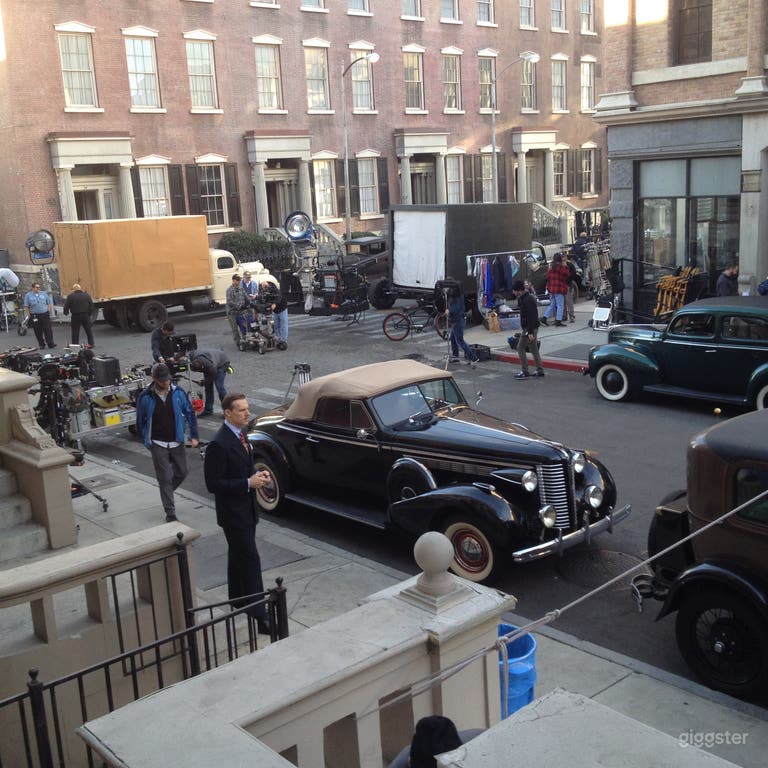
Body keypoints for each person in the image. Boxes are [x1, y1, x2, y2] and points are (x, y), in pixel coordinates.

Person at [203, 393, 273, 634]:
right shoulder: (219, 444)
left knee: (238, 556)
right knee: (250, 560)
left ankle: (238, 599)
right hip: (233, 514)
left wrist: (256, 476)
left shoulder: (242, 434)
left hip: (247, 509)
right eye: (241, 410)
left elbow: (243, 466)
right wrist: (246, 483)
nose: (247, 413)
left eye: (247, 408)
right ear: (228, 413)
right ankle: (260, 616)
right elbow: (213, 484)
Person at [136, 362, 199, 522]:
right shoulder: (145, 396)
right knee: (164, 478)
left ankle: (167, 492)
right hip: (158, 442)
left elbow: (190, 413)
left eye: (168, 379)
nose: (166, 383)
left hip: (176, 440)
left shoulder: (178, 393)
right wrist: (146, 440)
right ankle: (170, 512)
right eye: (163, 380)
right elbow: (140, 420)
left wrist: (194, 435)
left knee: (182, 472)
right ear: (154, 378)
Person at [512, 280, 545, 379]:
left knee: (520, 347)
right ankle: (539, 370)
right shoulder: (524, 298)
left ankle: (525, 370)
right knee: (533, 348)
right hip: (531, 327)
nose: (513, 292)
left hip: (529, 328)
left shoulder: (528, 299)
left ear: (518, 290)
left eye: (514, 290)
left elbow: (532, 316)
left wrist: (530, 331)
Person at [442, 280, 478, 368]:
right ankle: (455, 356)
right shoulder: (456, 294)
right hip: (456, 320)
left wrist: (449, 311)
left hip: (458, 320)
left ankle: (473, 357)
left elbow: (456, 308)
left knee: (460, 340)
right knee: (453, 339)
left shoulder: (457, 297)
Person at [189, 348, 230, 416]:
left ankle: (228, 410)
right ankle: (208, 410)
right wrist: (176, 357)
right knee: (208, 388)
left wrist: (203, 382)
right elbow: (185, 353)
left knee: (219, 387)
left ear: (202, 367)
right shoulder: (193, 356)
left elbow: (212, 377)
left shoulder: (211, 367)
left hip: (222, 363)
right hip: (212, 359)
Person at [540, 253, 570, 327]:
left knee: (552, 304)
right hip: (559, 288)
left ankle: (544, 318)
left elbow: (547, 277)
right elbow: (567, 274)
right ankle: (558, 321)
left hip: (551, 289)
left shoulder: (551, 267)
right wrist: (565, 264)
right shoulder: (561, 267)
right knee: (560, 305)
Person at [23, 281, 56, 349]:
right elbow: (26, 306)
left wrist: (48, 310)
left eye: (39, 287)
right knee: (38, 331)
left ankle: (50, 343)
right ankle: (41, 344)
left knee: (48, 330)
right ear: (33, 288)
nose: (38, 288)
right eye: (37, 287)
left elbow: (48, 302)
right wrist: (29, 316)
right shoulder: (28, 295)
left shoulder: (43, 294)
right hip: (35, 315)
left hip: (44, 314)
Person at [259, 279, 288, 346]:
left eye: (265, 287)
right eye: (263, 287)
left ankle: (283, 341)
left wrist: (275, 303)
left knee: (283, 325)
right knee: (276, 325)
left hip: (282, 308)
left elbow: (279, 297)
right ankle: (278, 339)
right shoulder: (263, 291)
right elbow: (261, 298)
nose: (264, 289)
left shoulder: (274, 289)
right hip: (275, 310)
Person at [226, 274, 248, 344]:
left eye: (239, 280)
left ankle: (246, 339)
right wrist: (238, 306)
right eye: (237, 280)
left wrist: (251, 303)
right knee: (235, 329)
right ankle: (238, 343)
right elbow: (229, 302)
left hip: (241, 312)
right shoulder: (229, 290)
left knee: (244, 327)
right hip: (232, 313)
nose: (239, 281)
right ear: (233, 280)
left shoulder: (241, 288)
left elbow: (246, 297)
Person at [563, 254, 578, 323]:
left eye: (564, 257)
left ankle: (571, 316)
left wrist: (568, 280)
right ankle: (564, 316)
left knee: (569, 301)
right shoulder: (559, 265)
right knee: (563, 302)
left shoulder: (570, 265)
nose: (563, 258)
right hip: (562, 285)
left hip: (567, 285)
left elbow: (573, 274)